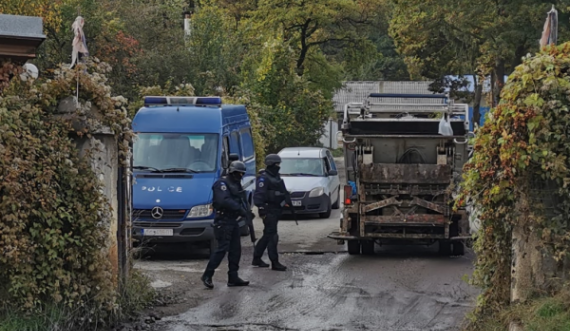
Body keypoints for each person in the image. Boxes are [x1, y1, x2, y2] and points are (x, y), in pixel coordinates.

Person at [201, 161, 250, 289]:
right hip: (223, 221)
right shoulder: (221, 183)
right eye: (239, 173)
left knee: (236, 250)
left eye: (242, 174)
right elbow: (223, 200)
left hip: (233, 221)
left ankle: (233, 277)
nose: (240, 175)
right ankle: (207, 275)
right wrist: (239, 209)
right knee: (221, 249)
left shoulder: (236, 184)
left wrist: (246, 212)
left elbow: (241, 199)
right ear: (233, 172)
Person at [252, 154, 288, 271]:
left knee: (268, 235)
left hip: (276, 209)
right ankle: (274, 262)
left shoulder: (276, 177)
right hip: (268, 210)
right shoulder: (264, 178)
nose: (278, 166)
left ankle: (257, 258)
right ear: (271, 164)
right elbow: (258, 196)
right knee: (272, 236)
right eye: (277, 164)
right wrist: (262, 209)